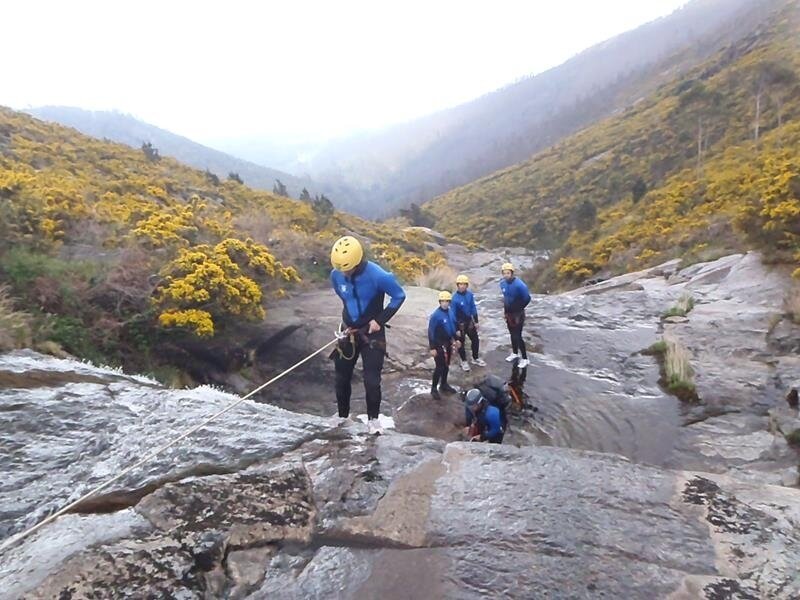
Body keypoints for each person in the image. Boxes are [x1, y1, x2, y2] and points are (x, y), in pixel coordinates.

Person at [330, 235, 406, 434]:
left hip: (371, 333)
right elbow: (343, 296)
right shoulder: (336, 275)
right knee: (341, 376)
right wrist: (349, 321)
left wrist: (379, 320)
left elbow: (399, 296)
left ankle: (373, 420)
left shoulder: (378, 276)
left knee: (371, 380)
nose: (343, 273)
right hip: (348, 329)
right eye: (340, 269)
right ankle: (342, 416)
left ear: (357, 261)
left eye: (347, 268)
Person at [428, 290, 460, 400]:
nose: (445, 303)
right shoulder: (436, 316)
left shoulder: (450, 312)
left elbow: (453, 327)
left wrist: (456, 339)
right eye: (443, 301)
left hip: (447, 343)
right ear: (440, 302)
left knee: (446, 365)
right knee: (439, 367)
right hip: (438, 344)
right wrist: (432, 348)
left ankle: (444, 384)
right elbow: (431, 332)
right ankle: (433, 388)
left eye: (447, 301)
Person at [451, 274, 486, 372]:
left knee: (475, 340)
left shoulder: (469, 295)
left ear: (467, 285)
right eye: (460, 284)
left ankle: (475, 358)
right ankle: (464, 361)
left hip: (469, 321)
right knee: (461, 343)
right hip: (460, 323)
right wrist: (456, 329)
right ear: (457, 285)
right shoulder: (455, 299)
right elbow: (453, 315)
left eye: (464, 284)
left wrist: (476, 321)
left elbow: (473, 308)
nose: (462, 286)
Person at [500, 262, 531, 368]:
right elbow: (505, 299)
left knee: (518, 335)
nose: (506, 275)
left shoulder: (520, 285)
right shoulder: (502, 284)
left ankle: (525, 359)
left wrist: (519, 309)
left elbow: (527, 298)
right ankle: (514, 353)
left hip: (518, 314)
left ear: (512, 273)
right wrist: (505, 312)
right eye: (504, 273)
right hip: (509, 313)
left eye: (508, 273)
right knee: (512, 334)